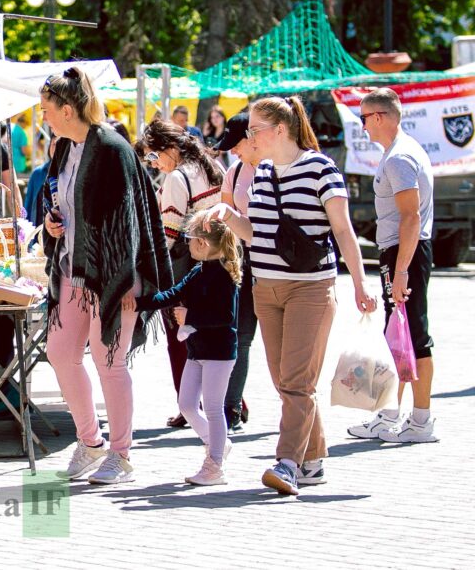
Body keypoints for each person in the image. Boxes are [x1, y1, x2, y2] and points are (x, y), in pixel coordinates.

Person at [207, 96, 377, 496]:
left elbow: (344, 231)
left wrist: (360, 282)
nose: (249, 138)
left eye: (254, 130)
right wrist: (230, 219)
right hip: (265, 289)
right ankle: (313, 461)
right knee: (287, 381)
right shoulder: (262, 171)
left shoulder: (322, 169)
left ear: (278, 130)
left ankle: (286, 463)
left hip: (310, 289)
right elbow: (259, 233)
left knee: (298, 382)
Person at [42, 66, 172, 485]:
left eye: (46, 109)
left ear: (66, 109)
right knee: (60, 354)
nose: (43, 117)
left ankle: (122, 454)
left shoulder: (113, 148)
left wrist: (128, 280)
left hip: (112, 277)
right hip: (74, 271)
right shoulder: (64, 149)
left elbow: (129, 222)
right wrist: (52, 224)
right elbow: (67, 204)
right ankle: (91, 443)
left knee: (109, 363)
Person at [348, 88, 438, 443]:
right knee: (399, 335)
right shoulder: (401, 151)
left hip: (406, 253)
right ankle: (390, 416)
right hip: (404, 253)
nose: (363, 126)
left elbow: (410, 218)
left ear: (381, 117)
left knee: (412, 335)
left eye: (364, 118)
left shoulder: (399, 158)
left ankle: (418, 421)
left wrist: (400, 271)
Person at [132, 209, 241, 485]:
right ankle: (218, 444)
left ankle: (215, 465)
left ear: (202, 244)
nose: (186, 244)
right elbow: (172, 294)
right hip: (197, 350)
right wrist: (138, 302)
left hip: (218, 353)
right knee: (187, 404)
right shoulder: (198, 270)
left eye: (189, 239)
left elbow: (225, 317)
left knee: (214, 408)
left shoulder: (224, 276)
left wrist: (189, 317)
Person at [136, 119, 224, 428]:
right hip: (222, 262)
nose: (154, 163)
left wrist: (151, 267)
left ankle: (189, 406)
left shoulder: (176, 177)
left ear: (170, 150)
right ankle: (230, 400)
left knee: (180, 337)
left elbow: (170, 233)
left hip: (185, 267)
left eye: (154, 156)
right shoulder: (212, 166)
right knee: (219, 333)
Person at [215, 114, 258, 433]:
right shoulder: (235, 171)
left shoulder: (278, 168)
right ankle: (231, 405)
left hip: (278, 266)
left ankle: (294, 406)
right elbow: (227, 222)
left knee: (281, 344)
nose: (235, 151)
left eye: (237, 145)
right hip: (243, 264)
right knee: (241, 337)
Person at [23, 135, 57, 226]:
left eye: (60, 144)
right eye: (54, 144)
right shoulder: (38, 173)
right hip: (39, 231)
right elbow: (28, 205)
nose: (57, 148)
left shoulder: (70, 174)